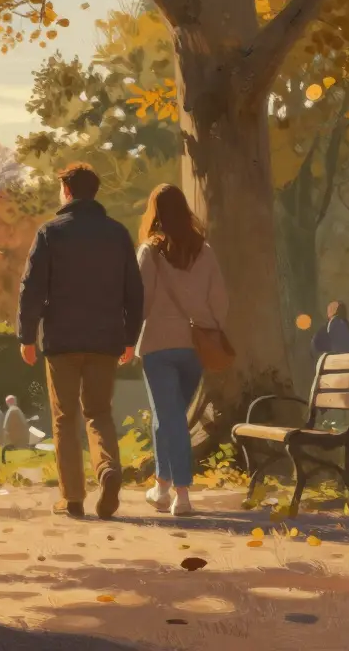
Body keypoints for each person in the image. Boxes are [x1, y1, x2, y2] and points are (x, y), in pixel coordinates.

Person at [17, 163, 143, 520]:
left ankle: (73, 498)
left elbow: (31, 288)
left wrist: (26, 335)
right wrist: (129, 338)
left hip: (62, 340)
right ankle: (107, 469)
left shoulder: (50, 233)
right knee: (99, 412)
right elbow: (134, 291)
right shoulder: (117, 234)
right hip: (106, 340)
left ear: (67, 191)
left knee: (64, 417)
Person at [135, 183, 228, 517]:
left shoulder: (150, 251)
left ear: (155, 212)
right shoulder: (204, 250)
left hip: (158, 345)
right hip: (195, 348)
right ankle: (161, 487)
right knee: (169, 416)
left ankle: (182, 494)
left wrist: (127, 337)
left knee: (171, 417)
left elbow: (140, 303)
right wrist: (213, 329)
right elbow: (220, 299)